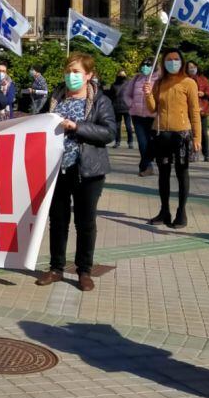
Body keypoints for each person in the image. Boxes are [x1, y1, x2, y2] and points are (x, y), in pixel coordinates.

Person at [36, 53, 116, 292]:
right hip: (56, 169)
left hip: (87, 170)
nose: (71, 77)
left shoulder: (101, 101)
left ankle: (84, 271)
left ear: (89, 75)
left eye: (76, 72)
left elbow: (109, 132)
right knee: (58, 221)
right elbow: (38, 123)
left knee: (85, 223)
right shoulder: (54, 98)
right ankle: (56, 268)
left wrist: (77, 127)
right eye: (68, 71)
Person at [144, 49, 202, 229]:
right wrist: (147, 94)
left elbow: (194, 111)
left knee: (181, 173)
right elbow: (153, 109)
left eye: (176, 59)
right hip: (161, 133)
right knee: (163, 174)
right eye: (169, 59)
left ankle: (181, 211)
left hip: (182, 134)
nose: (173, 62)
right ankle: (165, 211)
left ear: (182, 61)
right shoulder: (159, 83)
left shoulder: (189, 83)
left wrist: (197, 136)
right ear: (163, 62)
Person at [124, 59, 158, 176]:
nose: (145, 67)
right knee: (142, 142)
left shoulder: (158, 79)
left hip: (153, 116)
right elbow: (126, 94)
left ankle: (144, 164)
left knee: (152, 142)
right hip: (137, 115)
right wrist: (131, 104)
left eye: (148, 65)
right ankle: (147, 166)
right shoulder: (136, 79)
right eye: (143, 64)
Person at [185, 61, 209, 162]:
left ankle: (206, 154)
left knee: (203, 133)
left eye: (193, 67)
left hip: (202, 110)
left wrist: (204, 93)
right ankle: (191, 153)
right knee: (189, 133)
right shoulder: (185, 79)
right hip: (188, 110)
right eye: (189, 67)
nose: (192, 69)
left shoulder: (203, 79)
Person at [110, 70, 134, 149]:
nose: (122, 76)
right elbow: (111, 96)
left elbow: (132, 95)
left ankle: (130, 142)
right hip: (117, 108)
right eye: (121, 74)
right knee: (117, 126)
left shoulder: (129, 84)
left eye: (123, 74)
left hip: (126, 108)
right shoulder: (114, 85)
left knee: (128, 127)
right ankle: (117, 141)